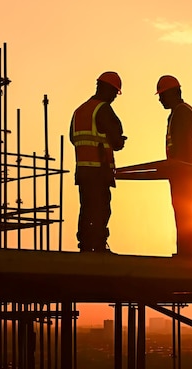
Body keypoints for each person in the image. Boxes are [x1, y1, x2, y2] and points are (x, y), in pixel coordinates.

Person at [70, 71, 127, 253]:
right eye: (114, 93)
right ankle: (99, 245)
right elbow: (116, 139)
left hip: (83, 171)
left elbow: (73, 137)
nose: (113, 98)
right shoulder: (103, 109)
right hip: (99, 170)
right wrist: (118, 142)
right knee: (101, 209)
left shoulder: (80, 111)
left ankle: (86, 245)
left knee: (86, 209)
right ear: (109, 90)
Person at [156, 75, 192, 259]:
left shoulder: (181, 113)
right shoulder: (180, 112)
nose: (160, 99)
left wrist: (177, 168)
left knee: (185, 211)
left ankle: (188, 251)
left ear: (173, 93)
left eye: (162, 95)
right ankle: (187, 250)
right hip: (186, 171)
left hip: (185, 173)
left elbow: (182, 147)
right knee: (186, 211)